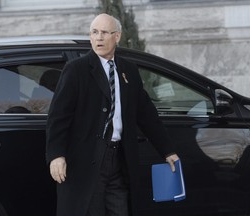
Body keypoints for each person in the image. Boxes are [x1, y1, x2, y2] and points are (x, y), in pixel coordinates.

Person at [46, 13, 179, 216]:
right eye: (94, 32)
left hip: (119, 159)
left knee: (120, 210)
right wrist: (56, 154)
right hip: (86, 161)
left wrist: (167, 150)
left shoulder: (128, 70)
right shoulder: (76, 70)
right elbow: (58, 116)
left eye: (104, 33)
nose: (98, 38)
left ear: (116, 36)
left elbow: (146, 113)